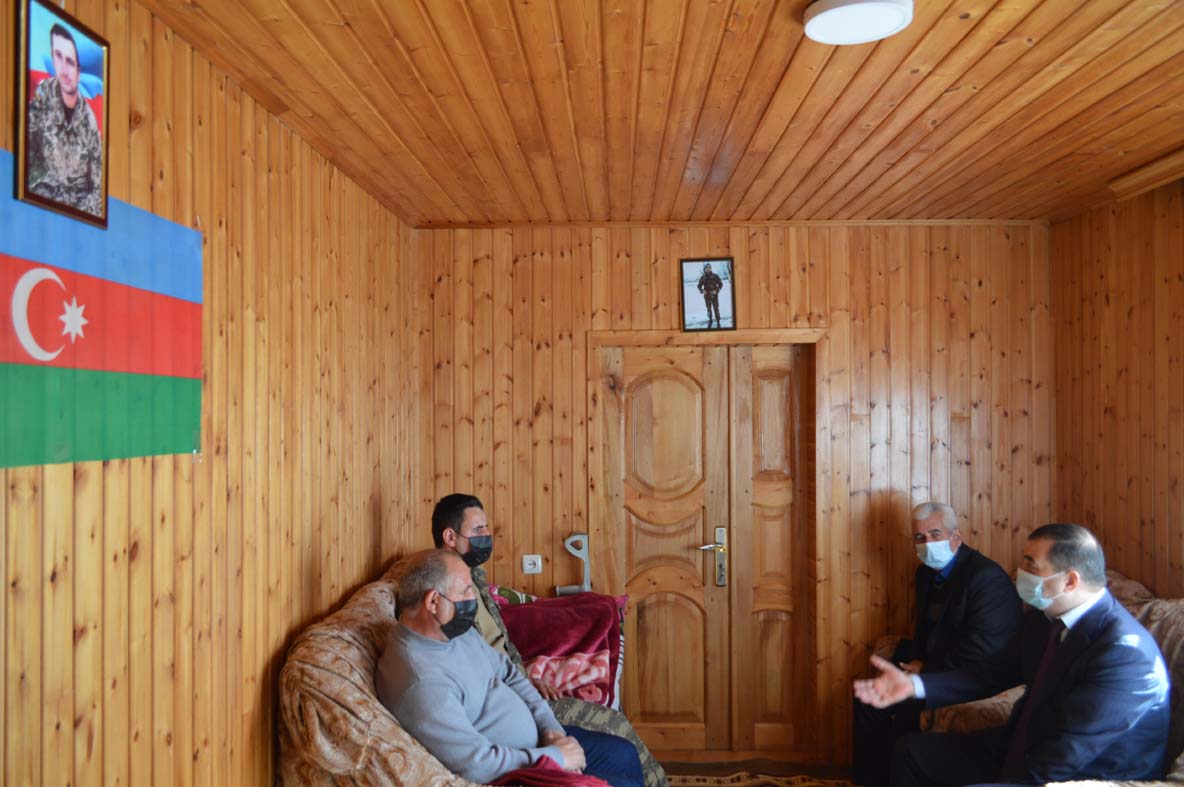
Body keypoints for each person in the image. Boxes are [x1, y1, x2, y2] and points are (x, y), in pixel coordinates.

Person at [854, 523, 1170, 786]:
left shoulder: (1123, 653)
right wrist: (915, 685)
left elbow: (1067, 754)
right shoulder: (1044, 618)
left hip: (1084, 775)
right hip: (1027, 743)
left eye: (1032, 565)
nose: (1021, 572)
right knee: (911, 752)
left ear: (1070, 580)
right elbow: (990, 673)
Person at [432, 493, 668, 787]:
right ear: (450, 537)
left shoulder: (473, 578)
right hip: (510, 704)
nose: (487, 536)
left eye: (487, 528)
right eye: (478, 530)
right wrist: (520, 688)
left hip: (521, 686)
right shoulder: (445, 596)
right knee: (615, 726)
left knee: (622, 747)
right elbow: (471, 669)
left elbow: (501, 644)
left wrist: (525, 677)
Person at [377, 549, 645, 787]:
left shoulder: (452, 632)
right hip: (517, 772)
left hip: (541, 742)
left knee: (624, 753)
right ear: (433, 602)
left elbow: (508, 673)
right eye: (465, 591)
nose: (472, 600)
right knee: (623, 784)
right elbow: (476, 764)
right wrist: (555, 758)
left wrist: (552, 731)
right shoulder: (422, 682)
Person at [852, 503, 1021, 787]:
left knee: (905, 704)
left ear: (956, 537)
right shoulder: (924, 574)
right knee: (867, 698)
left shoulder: (985, 578)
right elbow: (923, 628)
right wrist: (916, 660)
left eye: (935, 534)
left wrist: (926, 668)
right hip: (938, 657)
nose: (927, 543)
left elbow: (980, 650)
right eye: (919, 537)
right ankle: (869, 781)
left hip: (975, 670)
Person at [26, 23, 103, 216]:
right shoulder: (40, 103)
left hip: (78, 214)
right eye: (58, 57)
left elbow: (97, 190)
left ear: (78, 71)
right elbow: (27, 166)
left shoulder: (89, 121)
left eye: (70, 62)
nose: (64, 69)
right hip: (39, 207)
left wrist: (77, 216)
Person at [696, 263, 723, 328]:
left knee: (716, 309)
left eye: (709, 268)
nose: (708, 269)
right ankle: (710, 320)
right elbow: (699, 286)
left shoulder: (715, 276)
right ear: (705, 269)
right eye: (707, 268)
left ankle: (718, 322)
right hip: (707, 297)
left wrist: (717, 290)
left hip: (714, 296)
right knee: (708, 309)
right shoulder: (703, 277)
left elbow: (720, 284)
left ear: (711, 268)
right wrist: (702, 291)